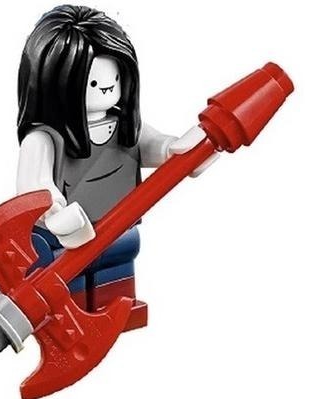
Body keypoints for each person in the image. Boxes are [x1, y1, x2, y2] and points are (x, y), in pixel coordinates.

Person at [16, 5, 218, 331]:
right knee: (66, 282)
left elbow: (155, 146)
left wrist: (179, 151)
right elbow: (33, 189)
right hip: (67, 240)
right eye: (94, 81)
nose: (108, 87)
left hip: (120, 228)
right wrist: (53, 212)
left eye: (115, 77)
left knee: (117, 269)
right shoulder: (45, 138)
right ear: (55, 82)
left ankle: (116, 312)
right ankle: (69, 324)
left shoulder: (124, 125)